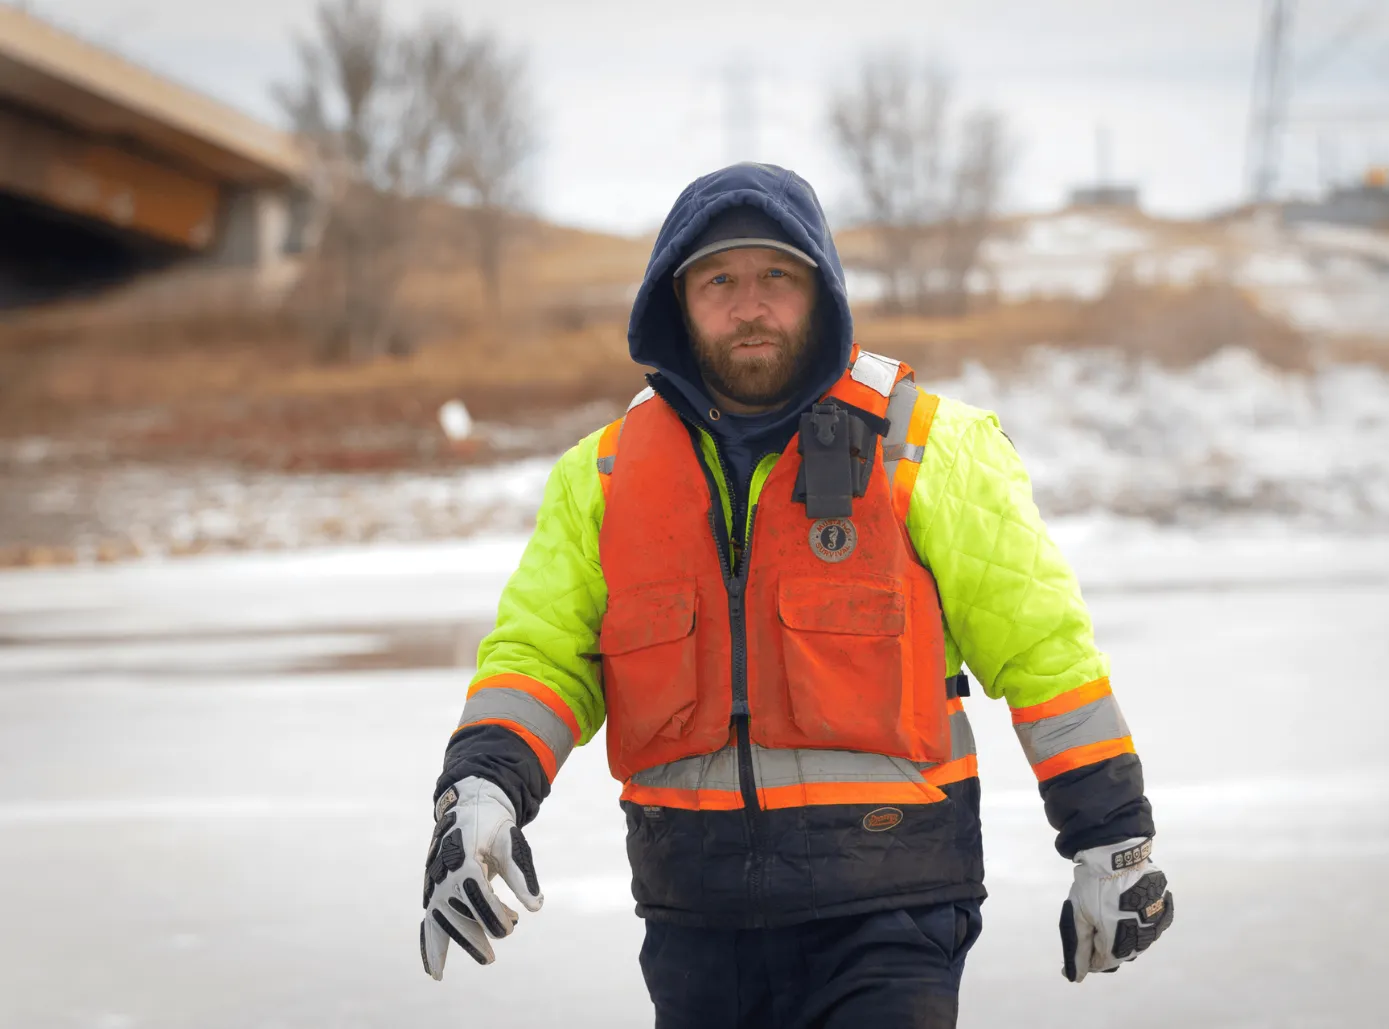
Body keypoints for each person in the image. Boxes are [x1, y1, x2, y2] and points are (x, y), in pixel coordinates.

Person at [418, 163, 1173, 1027]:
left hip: (890, 917)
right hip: (693, 927)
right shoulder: (605, 475)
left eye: (776, 275)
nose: (750, 304)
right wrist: (479, 788)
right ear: (678, 300)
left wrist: (1112, 839)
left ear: (821, 289)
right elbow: (540, 656)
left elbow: (1044, 652)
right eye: (720, 280)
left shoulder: (925, 446)